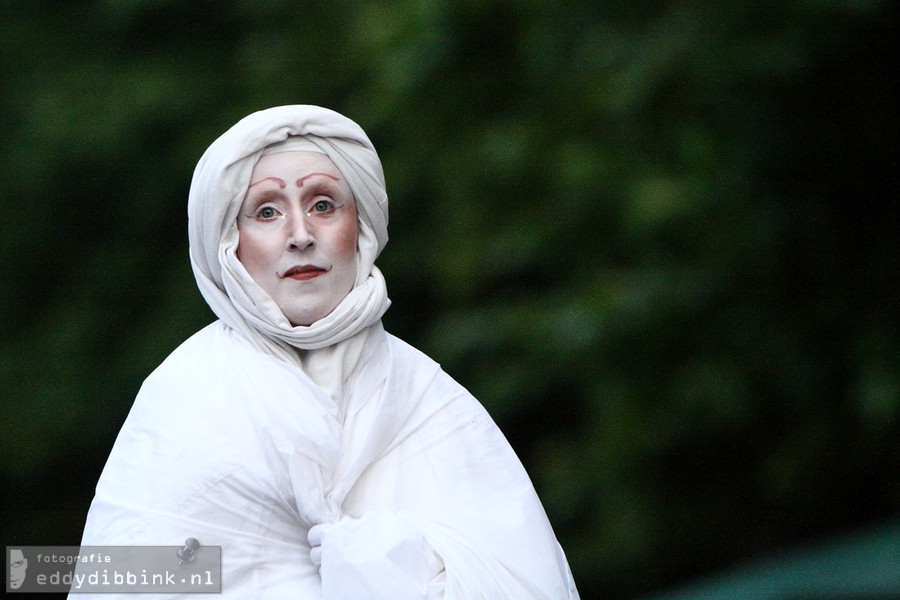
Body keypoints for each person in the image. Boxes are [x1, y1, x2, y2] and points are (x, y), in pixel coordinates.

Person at [75, 105, 579, 598]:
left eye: (322, 205)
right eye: (267, 212)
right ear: (229, 242)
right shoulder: (185, 396)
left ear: (359, 231)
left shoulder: (429, 400)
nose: (299, 236)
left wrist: (390, 568)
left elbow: (525, 581)